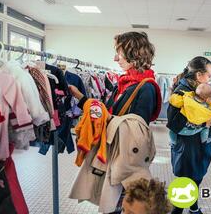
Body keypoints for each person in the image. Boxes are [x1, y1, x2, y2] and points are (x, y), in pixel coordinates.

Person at [69, 31, 162, 214]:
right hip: (116, 158)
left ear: (133, 54)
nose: (115, 58)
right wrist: (82, 100)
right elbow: (110, 114)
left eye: (118, 52)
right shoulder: (125, 83)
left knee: (118, 208)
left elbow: (134, 135)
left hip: (124, 166)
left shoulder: (146, 88)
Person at [167, 56, 211, 214]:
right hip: (188, 145)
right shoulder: (183, 93)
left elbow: (208, 111)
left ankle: (193, 207)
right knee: (188, 178)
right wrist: (203, 122)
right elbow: (174, 123)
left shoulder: (196, 90)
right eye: (209, 74)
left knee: (195, 176)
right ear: (199, 75)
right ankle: (178, 211)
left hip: (196, 144)